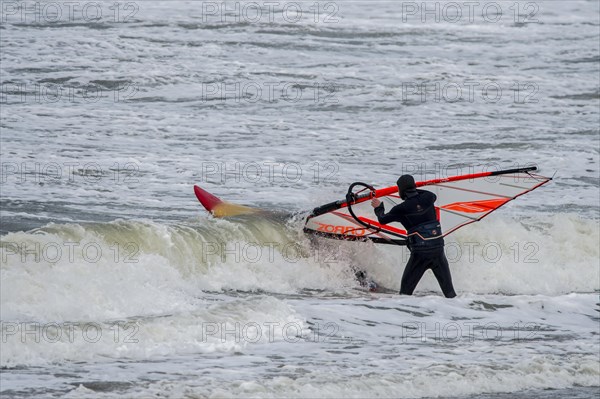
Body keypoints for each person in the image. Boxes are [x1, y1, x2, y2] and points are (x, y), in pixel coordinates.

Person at [370, 175, 456, 298]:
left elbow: (382, 220)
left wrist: (379, 208)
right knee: (450, 293)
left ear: (401, 190)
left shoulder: (400, 209)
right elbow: (426, 193)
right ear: (414, 186)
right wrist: (412, 190)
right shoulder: (429, 197)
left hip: (420, 255)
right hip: (438, 252)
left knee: (405, 294)